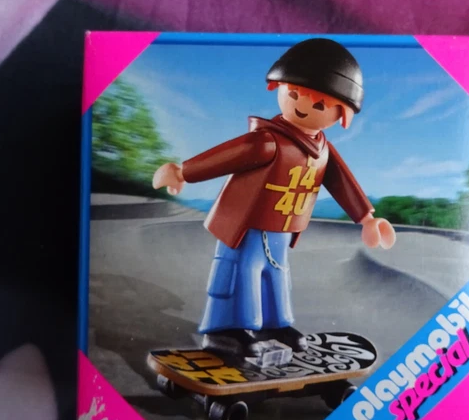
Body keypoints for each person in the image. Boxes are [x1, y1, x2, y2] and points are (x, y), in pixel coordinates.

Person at [153, 38, 396, 356]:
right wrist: (183, 172)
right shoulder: (267, 142)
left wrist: (366, 218)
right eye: (294, 94)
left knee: (276, 274)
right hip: (246, 226)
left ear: (342, 114)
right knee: (241, 273)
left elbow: (342, 183)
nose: (302, 106)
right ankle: (226, 330)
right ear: (278, 87)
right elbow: (227, 156)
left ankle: (275, 324)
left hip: (283, 227)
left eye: (319, 105)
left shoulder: (322, 150)